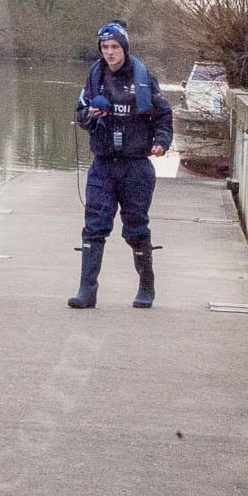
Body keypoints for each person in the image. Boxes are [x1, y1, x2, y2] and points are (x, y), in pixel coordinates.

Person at [70, 20, 173, 310]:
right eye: (105, 47)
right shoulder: (94, 78)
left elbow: (164, 115)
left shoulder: (143, 78)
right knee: (94, 226)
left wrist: (162, 142)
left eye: (115, 47)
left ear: (124, 48)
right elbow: (80, 114)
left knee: (136, 228)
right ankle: (86, 291)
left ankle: (146, 285)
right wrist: (90, 114)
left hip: (135, 166)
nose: (110, 52)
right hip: (103, 164)